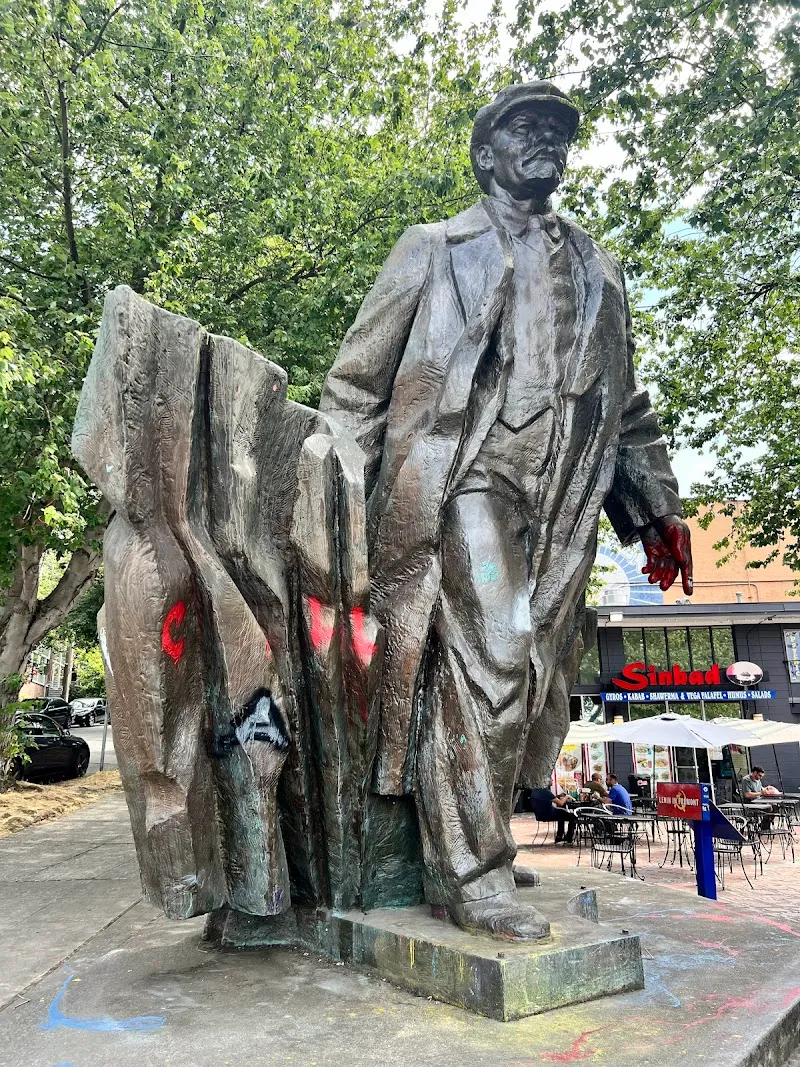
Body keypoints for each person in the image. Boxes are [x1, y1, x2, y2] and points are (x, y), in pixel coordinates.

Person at [320, 81, 693, 940]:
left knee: (537, 675)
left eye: (558, 132)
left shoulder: (599, 267)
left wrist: (655, 507)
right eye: (527, 129)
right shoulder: (432, 248)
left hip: (565, 491)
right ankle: (469, 871)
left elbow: (625, 403)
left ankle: (467, 834)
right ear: (486, 154)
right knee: (497, 644)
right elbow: (353, 387)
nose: (546, 142)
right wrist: (332, 490)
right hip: (464, 479)